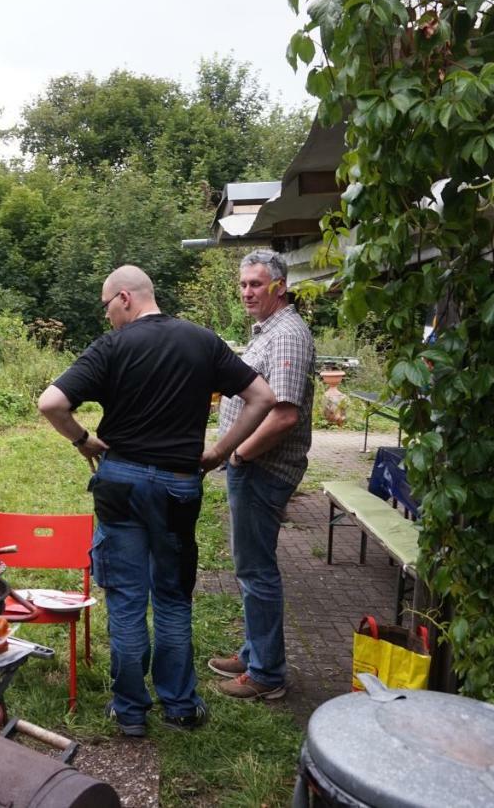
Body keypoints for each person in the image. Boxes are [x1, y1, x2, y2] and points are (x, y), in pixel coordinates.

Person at [38, 265, 276, 736]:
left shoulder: (112, 347)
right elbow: (262, 398)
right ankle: (180, 707)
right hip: (177, 484)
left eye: (107, 307)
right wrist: (218, 454)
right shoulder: (203, 341)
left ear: (125, 298)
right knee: (171, 598)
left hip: (120, 483)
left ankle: (129, 713)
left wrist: (84, 440)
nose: (107, 318)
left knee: (127, 600)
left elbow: (51, 403)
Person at [209, 249, 314, 701]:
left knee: (257, 571)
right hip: (254, 467)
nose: (248, 292)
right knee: (250, 567)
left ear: (280, 286)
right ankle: (254, 652)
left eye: (256, 284)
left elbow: (285, 414)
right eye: (243, 284)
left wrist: (240, 455)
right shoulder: (269, 332)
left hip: (262, 468)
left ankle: (267, 673)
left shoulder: (288, 333)